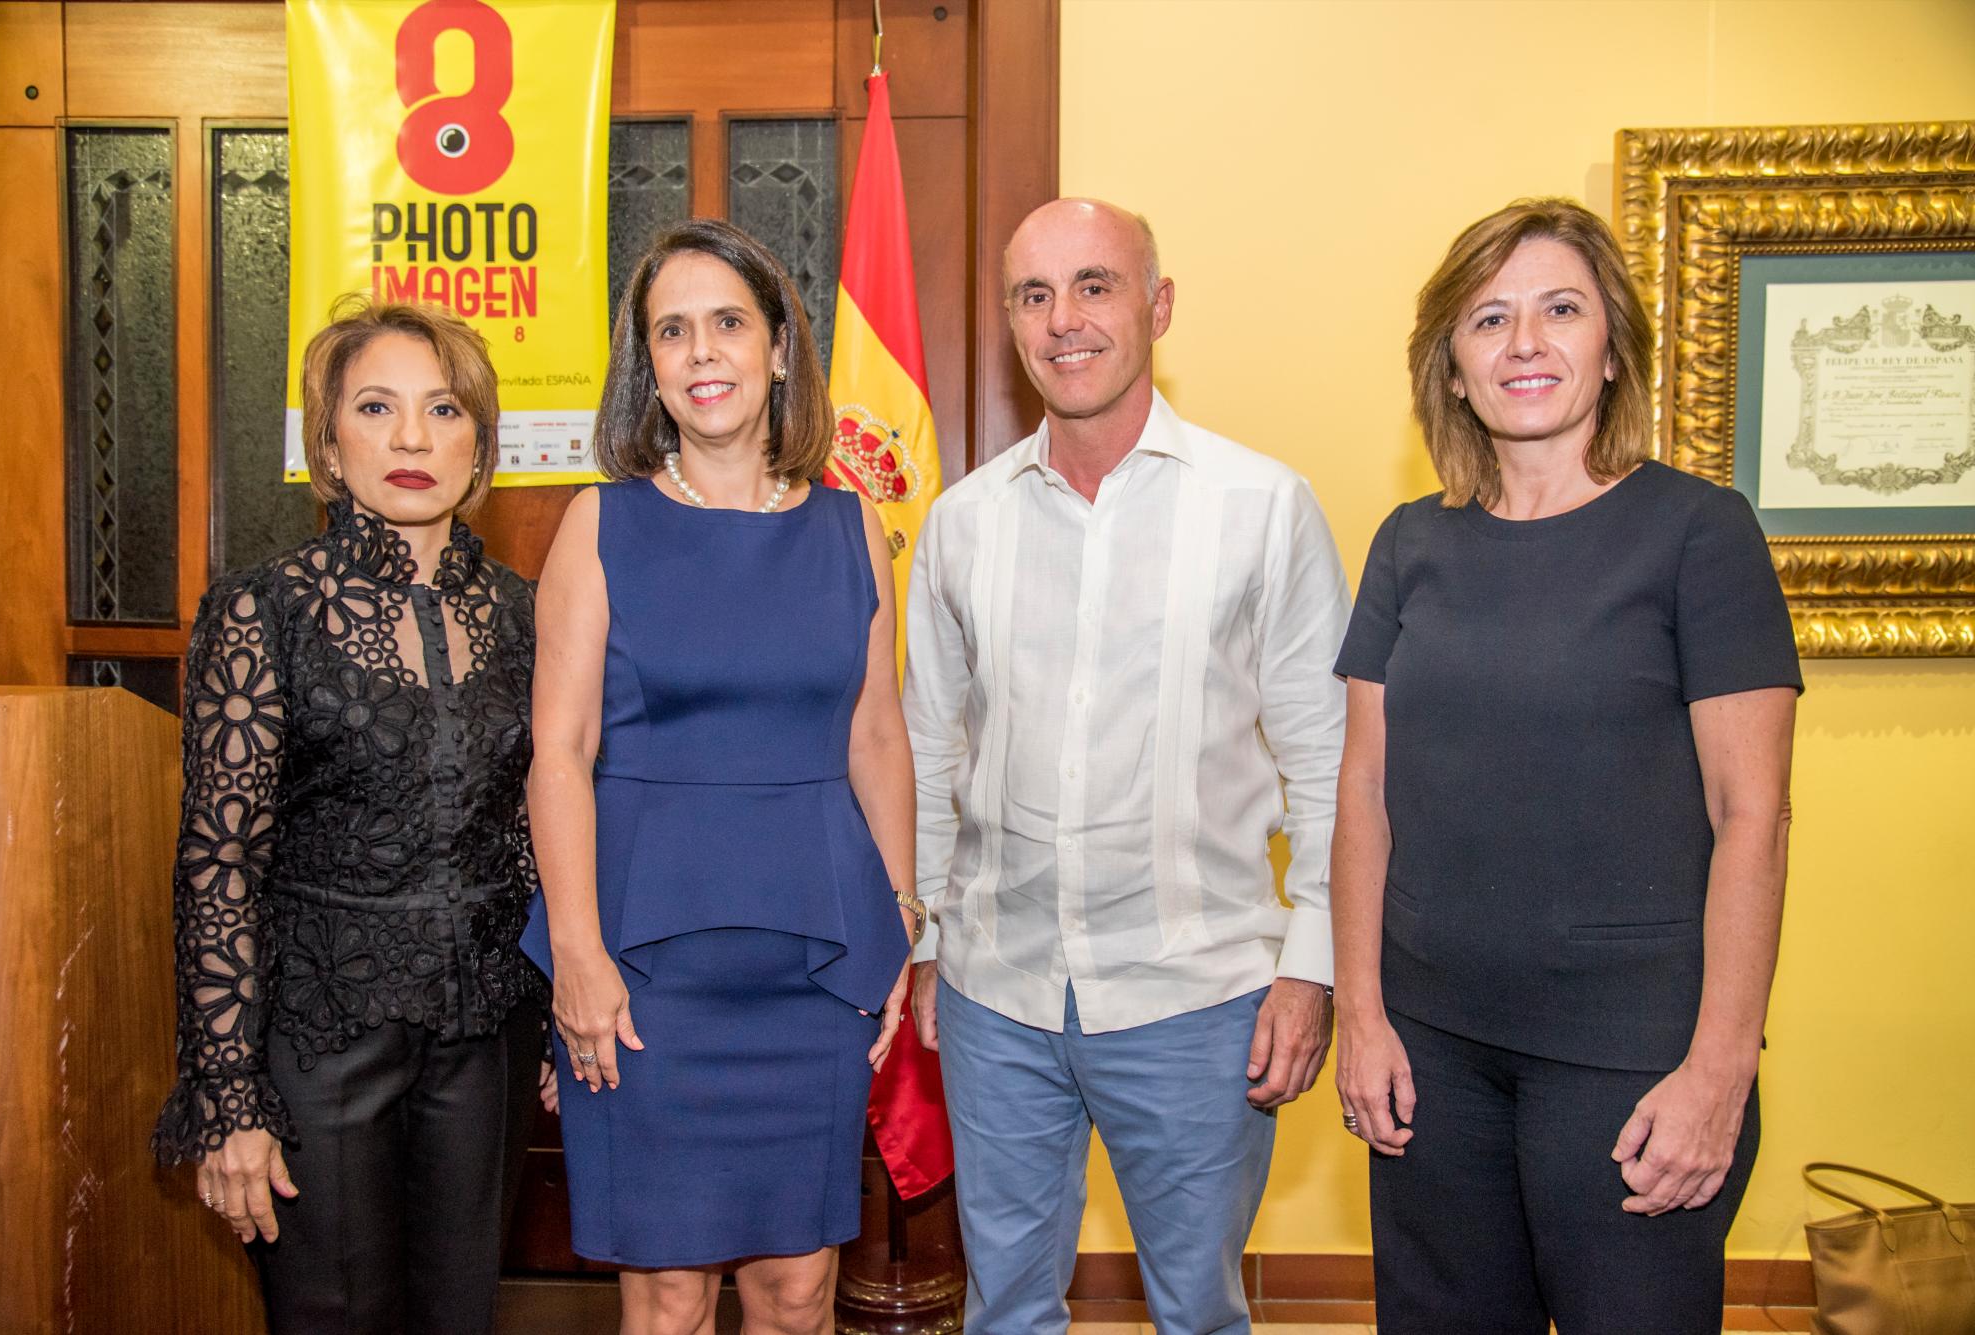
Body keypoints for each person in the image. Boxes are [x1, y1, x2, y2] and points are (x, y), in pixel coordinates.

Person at [1330, 198, 1801, 1335]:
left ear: (1610, 346)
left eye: (1558, 310)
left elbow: (1754, 818)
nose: (1524, 343)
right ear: (1448, 365)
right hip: (1430, 1058)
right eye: (1488, 318)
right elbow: (1360, 796)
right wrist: (1361, 1015)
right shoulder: (1408, 542)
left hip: (1633, 1066)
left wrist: (1716, 1074)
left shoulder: (1699, 532)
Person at [902, 198, 1351, 1335]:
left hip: (1197, 994)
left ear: (1155, 307)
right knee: (1002, 1307)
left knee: (1196, 1311)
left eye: (1093, 286)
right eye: (1033, 295)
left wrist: (1310, 966)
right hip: (996, 993)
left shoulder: (1262, 509)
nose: (1064, 321)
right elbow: (925, 746)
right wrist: (924, 943)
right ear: (1009, 321)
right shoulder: (961, 525)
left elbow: (1330, 765)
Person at [521, 217, 917, 1335]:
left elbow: (876, 738)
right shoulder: (601, 524)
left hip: (815, 966)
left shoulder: (857, 531)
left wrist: (898, 927)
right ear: (646, 367)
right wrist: (579, 957)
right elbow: (558, 754)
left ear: (780, 347)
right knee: (667, 1296)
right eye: (672, 332)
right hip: (644, 980)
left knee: (799, 1295)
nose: (702, 353)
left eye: (728, 324)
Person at [152, 299, 547, 1333]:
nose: (413, 438)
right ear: (328, 442)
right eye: (377, 408)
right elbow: (219, 863)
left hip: (488, 1031)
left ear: (480, 443)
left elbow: (541, 825)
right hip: (320, 1035)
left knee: (460, 1314)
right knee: (332, 1315)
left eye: (444, 409)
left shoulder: (529, 613)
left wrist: (560, 1006)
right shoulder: (263, 609)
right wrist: (229, 1096)